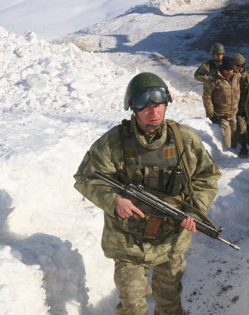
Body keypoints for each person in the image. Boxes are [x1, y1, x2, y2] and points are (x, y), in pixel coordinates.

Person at [73, 72, 220, 315]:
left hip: (170, 239)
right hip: (128, 240)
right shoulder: (113, 144)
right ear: (133, 108)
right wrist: (113, 200)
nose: (153, 113)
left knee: (169, 304)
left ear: (166, 104)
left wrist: (194, 210)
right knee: (132, 306)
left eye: (158, 105)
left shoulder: (184, 140)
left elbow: (207, 176)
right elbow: (85, 177)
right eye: (145, 107)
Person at [202, 57, 241, 151]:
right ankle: (226, 158)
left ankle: (234, 156)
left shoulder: (237, 77)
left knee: (235, 137)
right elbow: (206, 97)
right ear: (222, 70)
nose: (230, 72)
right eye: (227, 71)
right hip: (221, 115)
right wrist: (211, 114)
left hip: (233, 113)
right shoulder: (213, 79)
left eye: (231, 70)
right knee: (226, 140)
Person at [233, 53, 249, 156]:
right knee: (241, 128)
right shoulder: (231, 76)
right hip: (239, 108)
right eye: (237, 66)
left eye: (242, 66)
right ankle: (243, 146)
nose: (240, 68)